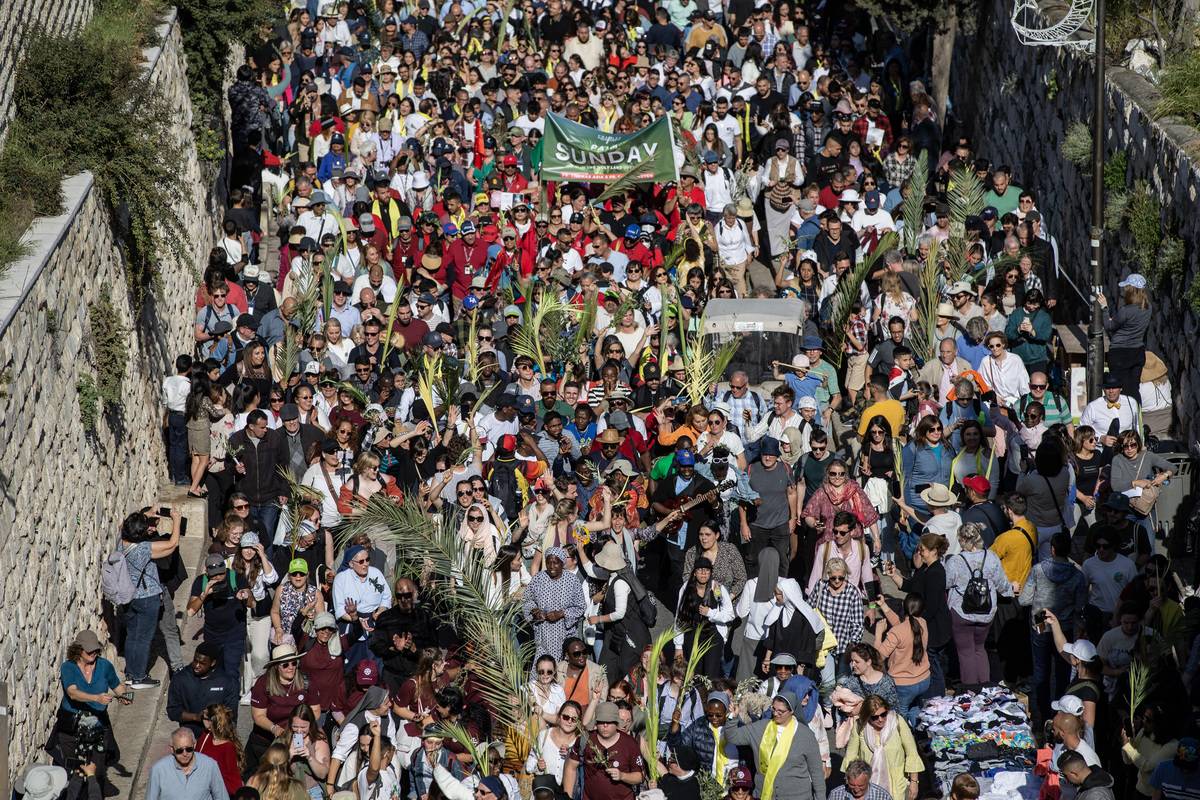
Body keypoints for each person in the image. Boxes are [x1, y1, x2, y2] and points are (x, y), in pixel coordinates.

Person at [54, 629, 129, 796]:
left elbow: (117, 686)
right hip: (72, 727)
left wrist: (124, 696)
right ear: (78, 650)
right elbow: (72, 692)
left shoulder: (104, 666)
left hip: (98, 726)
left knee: (98, 769)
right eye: (89, 650)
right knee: (75, 770)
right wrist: (96, 698)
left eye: (96, 649)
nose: (93, 653)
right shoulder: (69, 667)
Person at [943, 522, 1012, 688]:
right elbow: (1002, 584)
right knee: (980, 649)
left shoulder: (955, 561)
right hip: (986, 611)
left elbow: (945, 583)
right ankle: (985, 688)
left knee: (965, 653)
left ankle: (971, 690)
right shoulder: (992, 557)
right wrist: (1011, 590)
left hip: (961, 611)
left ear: (961, 540)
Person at [721, 692, 826, 800]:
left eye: (781, 711)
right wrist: (732, 718)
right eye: (774, 709)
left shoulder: (805, 735)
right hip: (763, 794)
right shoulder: (760, 728)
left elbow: (816, 772)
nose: (775, 714)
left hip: (798, 796)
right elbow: (733, 737)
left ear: (792, 711)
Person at [842, 694, 923, 800]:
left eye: (883, 714)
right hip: (867, 785)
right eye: (875, 717)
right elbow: (850, 756)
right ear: (867, 716)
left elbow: (912, 753)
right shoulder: (860, 726)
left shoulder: (897, 722)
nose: (880, 719)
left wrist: (914, 782)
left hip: (896, 785)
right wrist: (851, 782)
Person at [562, 701, 645, 800]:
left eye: (609, 722)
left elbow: (640, 776)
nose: (605, 725)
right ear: (596, 723)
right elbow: (570, 767)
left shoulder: (630, 743)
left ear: (617, 723)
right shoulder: (585, 740)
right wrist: (568, 797)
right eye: (601, 721)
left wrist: (622, 776)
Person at [1098, 274, 1151, 400]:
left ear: (1131, 291)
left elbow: (1109, 325)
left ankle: (1121, 417)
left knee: (1119, 390)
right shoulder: (1148, 308)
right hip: (1138, 352)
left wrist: (1104, 308)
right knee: (1133, 389)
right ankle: (1136, 416)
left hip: (1119, 354)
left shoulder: (1126, 310)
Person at [145, 728, 230, 800]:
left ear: (195, 744)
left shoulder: (210, 765)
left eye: (189, 749)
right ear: (172, 749)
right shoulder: (159, 770)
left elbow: (222, 797)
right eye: (179, 750)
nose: (185, 754)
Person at [828, 759, 893, 800]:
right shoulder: (835, 795)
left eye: (860, 786)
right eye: (852, 785)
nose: (856, 790)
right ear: (847, 779)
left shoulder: (883, 796)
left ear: (868, 780)